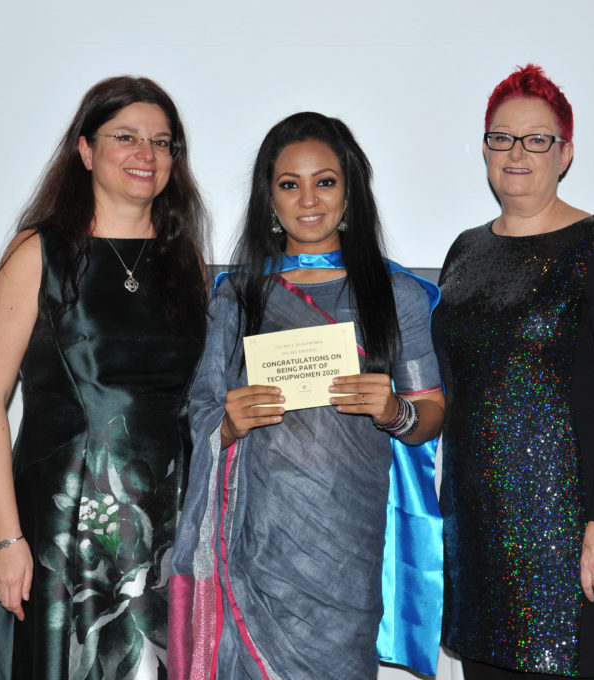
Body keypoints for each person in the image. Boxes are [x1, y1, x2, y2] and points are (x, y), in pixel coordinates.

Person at [168, 112, 445, 680]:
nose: (308, 199)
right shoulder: (238, 296)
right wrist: (226, 422)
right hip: (255, 543)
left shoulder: (394, 295)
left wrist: (395, 411)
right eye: (289, 185)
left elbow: (431, 412)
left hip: (347, 543)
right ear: (270, 199)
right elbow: (198, 410)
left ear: (351, 193)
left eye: (326, 181)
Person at [0, 76, 209, 679]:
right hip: (65, 524)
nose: (145, 155)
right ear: (85, 150)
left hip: (168, 522)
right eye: (126, 137)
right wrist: (5, 540)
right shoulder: (39, 253)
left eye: (162, 142)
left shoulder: (188, 261)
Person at [432, 64, 594, 679]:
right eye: (502, 138)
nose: (517, 152)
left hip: (566, 533)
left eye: (537, 139)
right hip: (477, 528)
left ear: (565, 153)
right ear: (485, 148)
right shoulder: (464, 251)